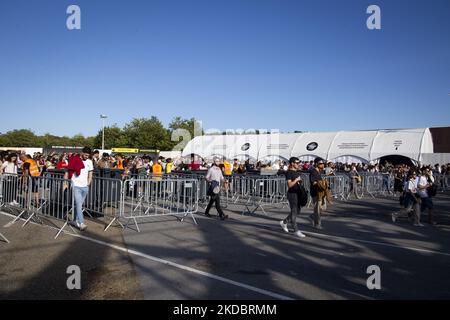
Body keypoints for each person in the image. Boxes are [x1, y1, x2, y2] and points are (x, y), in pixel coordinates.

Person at [64, 147, 93, 231]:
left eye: (88, 155)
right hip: (76, 186)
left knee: (78, 206)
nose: (87, 157)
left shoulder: (89, 162)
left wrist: (88, 183)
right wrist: (65, 183)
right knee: (79, 205)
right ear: (82, 153)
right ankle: (81, 223)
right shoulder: (74, 159)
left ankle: (74, 221)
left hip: (85, 187)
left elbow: (90, 174)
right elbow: (67, 170)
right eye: (86, 155)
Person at [280, 157, 307, 238]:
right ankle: (296, 230)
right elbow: (289, 185)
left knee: (297, 211)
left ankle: (284, 222)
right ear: (292, 163)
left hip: (298, 194)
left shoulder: (297, 172)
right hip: (292, 194)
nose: (298, 164)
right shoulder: (289, 172)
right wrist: (296, 180)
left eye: (299, 163)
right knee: (294, 211)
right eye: (297, 163)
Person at [309, 157, 326, 229]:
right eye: (321, 163)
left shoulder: (319, 171)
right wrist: (321, 183)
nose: (322, 165)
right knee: (318, 209)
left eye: (323, 163)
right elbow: (313, 182)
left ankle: (312, 216)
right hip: (315, 192)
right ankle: (317, 224)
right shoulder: (313, 171)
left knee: (323, 208)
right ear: (316, 164)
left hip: (321, 192)